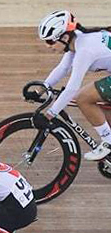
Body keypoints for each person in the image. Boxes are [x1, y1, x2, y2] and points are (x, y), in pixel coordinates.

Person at [34, 10, 111, 161]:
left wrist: (50, 114)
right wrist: (39, 90)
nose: (48, 46)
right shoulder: (77, 41)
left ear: (64, 37)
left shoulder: (84, 50)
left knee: (83, 98)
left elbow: (72, 88)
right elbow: (62, 69)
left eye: (50, 41)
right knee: (98, 103)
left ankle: (108, 142)